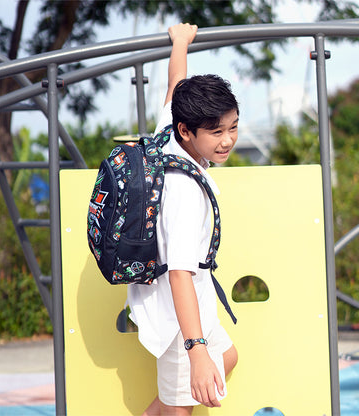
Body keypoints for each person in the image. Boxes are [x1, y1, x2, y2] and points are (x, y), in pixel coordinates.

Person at [127, 23, 239, 416]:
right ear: (187, 131)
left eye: (233, 127)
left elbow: (176, 84)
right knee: (181, 407)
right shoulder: (185, 191)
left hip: (192, 303)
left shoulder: (169, 134)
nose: (227, 140)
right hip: (179, 318)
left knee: (227, 357)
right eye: (216, 132)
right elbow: (179, 274)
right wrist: (195, 350)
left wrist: (180, 42)